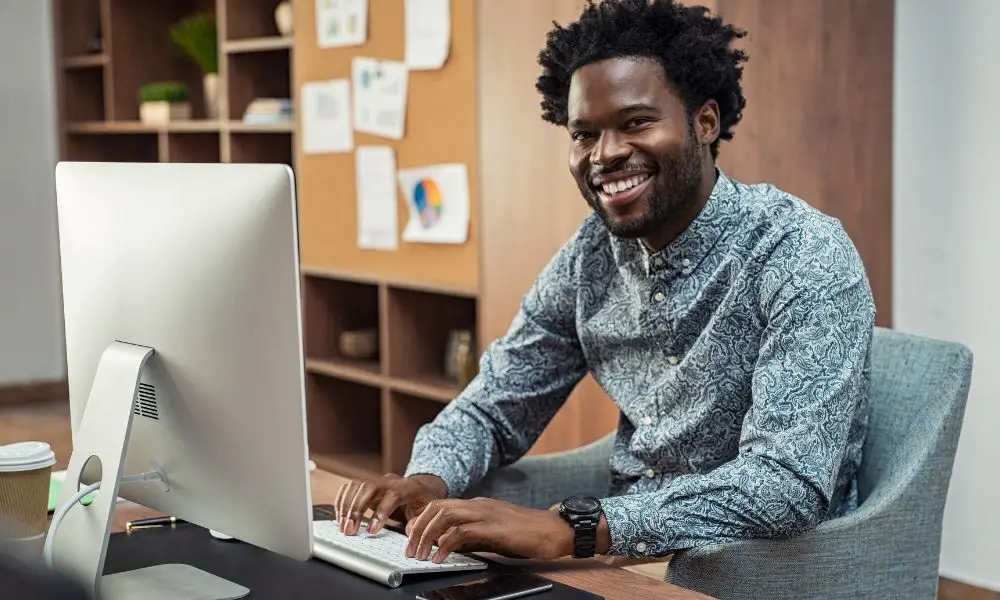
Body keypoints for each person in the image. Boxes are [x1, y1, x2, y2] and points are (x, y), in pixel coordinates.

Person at [334, 0, 876, 565]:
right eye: (584, 134)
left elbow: (785, 485)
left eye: (636, 122)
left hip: (758, 567)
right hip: (619, 555)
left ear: (705, 122)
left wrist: (579, 529)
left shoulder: (800, 252)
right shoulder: (592, 254)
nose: (606, 154)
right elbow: (497, 402)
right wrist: (429, 477)